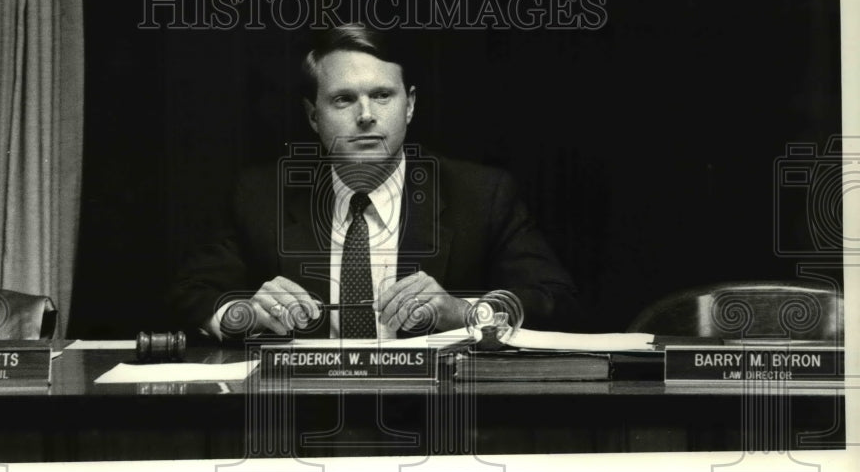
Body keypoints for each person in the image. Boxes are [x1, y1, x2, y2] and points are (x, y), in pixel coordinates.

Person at [168, 24, 578, 339]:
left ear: (410, 105)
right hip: (302, 409)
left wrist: (465, 313)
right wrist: (245, 314)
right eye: (343, 99)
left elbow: (557, 302)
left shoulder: (481, 194)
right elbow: (192, 293)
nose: (366, 115)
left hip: (434, 410)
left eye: (382, 95)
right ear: (313, 116)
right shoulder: (259, 195)